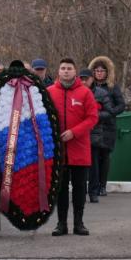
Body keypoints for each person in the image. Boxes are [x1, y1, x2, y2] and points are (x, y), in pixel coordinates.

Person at [48, 58, 99, 236]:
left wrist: (74, 132)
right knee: (60, 190)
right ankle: (61, 224)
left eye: (69, 68)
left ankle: (79, 223)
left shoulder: (85, 93)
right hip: (58, 150)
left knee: (79, 188)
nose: (66, 71)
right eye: (63, 68)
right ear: (58, 71)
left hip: (79, 148)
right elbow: (42, 118)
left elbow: (92, 118)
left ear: (75, 72)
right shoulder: (49, 92)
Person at [88, 56, 126, 197]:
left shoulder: (112, 87)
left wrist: (110, 114)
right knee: (93, 157)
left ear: (107, 72)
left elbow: (121, 105)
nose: (99, 73)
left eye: (102, 70)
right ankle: (93, 185)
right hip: (92, 126)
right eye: (96, 70)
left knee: (104, 156)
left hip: (108, 127)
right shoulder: (89, 87)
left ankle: (102, 186)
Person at [79, 69, 116, 203]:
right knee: (79, 166)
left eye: (86, 78)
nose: (84, 81)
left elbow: (110, 112)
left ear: (91, 79)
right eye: (81, 78)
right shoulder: (74, 92)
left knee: (93, 165)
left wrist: (93, 116)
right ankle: (80, 192)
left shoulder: (101, 93)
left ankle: (93, 192)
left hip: (94, 134)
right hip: (78, 134)